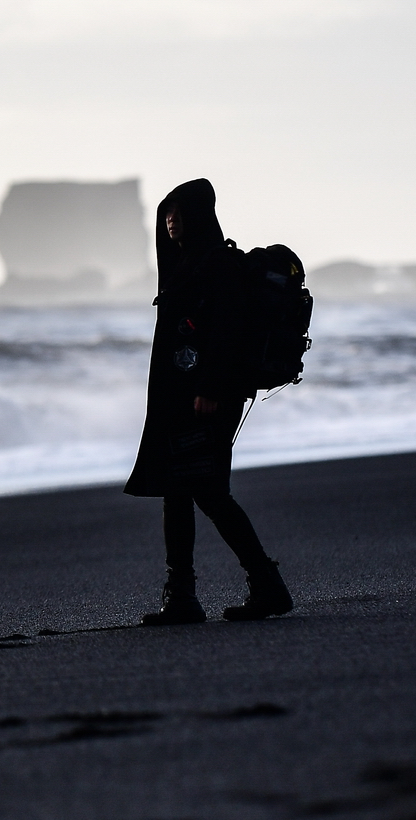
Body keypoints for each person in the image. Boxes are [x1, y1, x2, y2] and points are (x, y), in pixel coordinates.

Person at [123, 178, 294, 625]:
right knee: (178, 491)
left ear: (199, 214)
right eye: (166, 213)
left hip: (206, 398)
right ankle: (183, 596)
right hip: (181, 398)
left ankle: (265, 585)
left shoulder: (218, 264)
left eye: (179, 211)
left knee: (209, 492)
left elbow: (228, 330)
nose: (171, 219)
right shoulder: (186, 264)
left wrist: (212, 389)